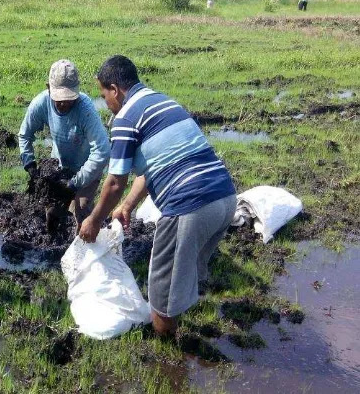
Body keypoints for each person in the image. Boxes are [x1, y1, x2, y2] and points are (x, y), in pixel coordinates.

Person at [79, 55, 236, 335]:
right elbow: (150, 168)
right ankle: (185, 315)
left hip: (190, 206)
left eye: (104, 96)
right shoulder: (162, 101)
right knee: (185, 271)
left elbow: (115, 182)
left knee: (162, 295)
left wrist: (93, 220)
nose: (106, 104)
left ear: (115, 89)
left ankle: (167, 355)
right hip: (224, 199)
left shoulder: (125, 119)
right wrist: (128, 205)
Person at [19, 59, 109, 234]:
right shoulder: (41, 103)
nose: (64, 103)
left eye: (69, 99)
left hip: (86, 169)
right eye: (59, 99)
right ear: (48, 88)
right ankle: (53, 249)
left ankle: (80, 254)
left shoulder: (85, 110)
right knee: (53, 213)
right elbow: (25, 134)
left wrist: (76, 183)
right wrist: (30, 164)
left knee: (80, 215)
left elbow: (102, 150)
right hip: (60, 167)